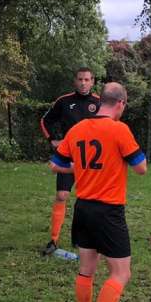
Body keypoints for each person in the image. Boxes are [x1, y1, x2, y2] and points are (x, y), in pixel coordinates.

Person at [51, 82, 147, 302]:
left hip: (83, 207)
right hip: (109, 210)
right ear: (120, 104)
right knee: (121, 272)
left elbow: (55, 164)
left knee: (86, 270)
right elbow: (141, 167)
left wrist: (77, 166)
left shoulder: (77, 129)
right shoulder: (119, 129)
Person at [39, 67, 100, 256]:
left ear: (93, 82)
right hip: (68, 157)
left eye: (87, 79)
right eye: (80, 79)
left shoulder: (99, 103)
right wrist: (52, 140)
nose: (83, 83)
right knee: (62, 195)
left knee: (89, 199)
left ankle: (84, 238)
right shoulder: (64, 101)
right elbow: (45, 121)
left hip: (91, 159)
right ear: (75, 81)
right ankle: (54, 240)